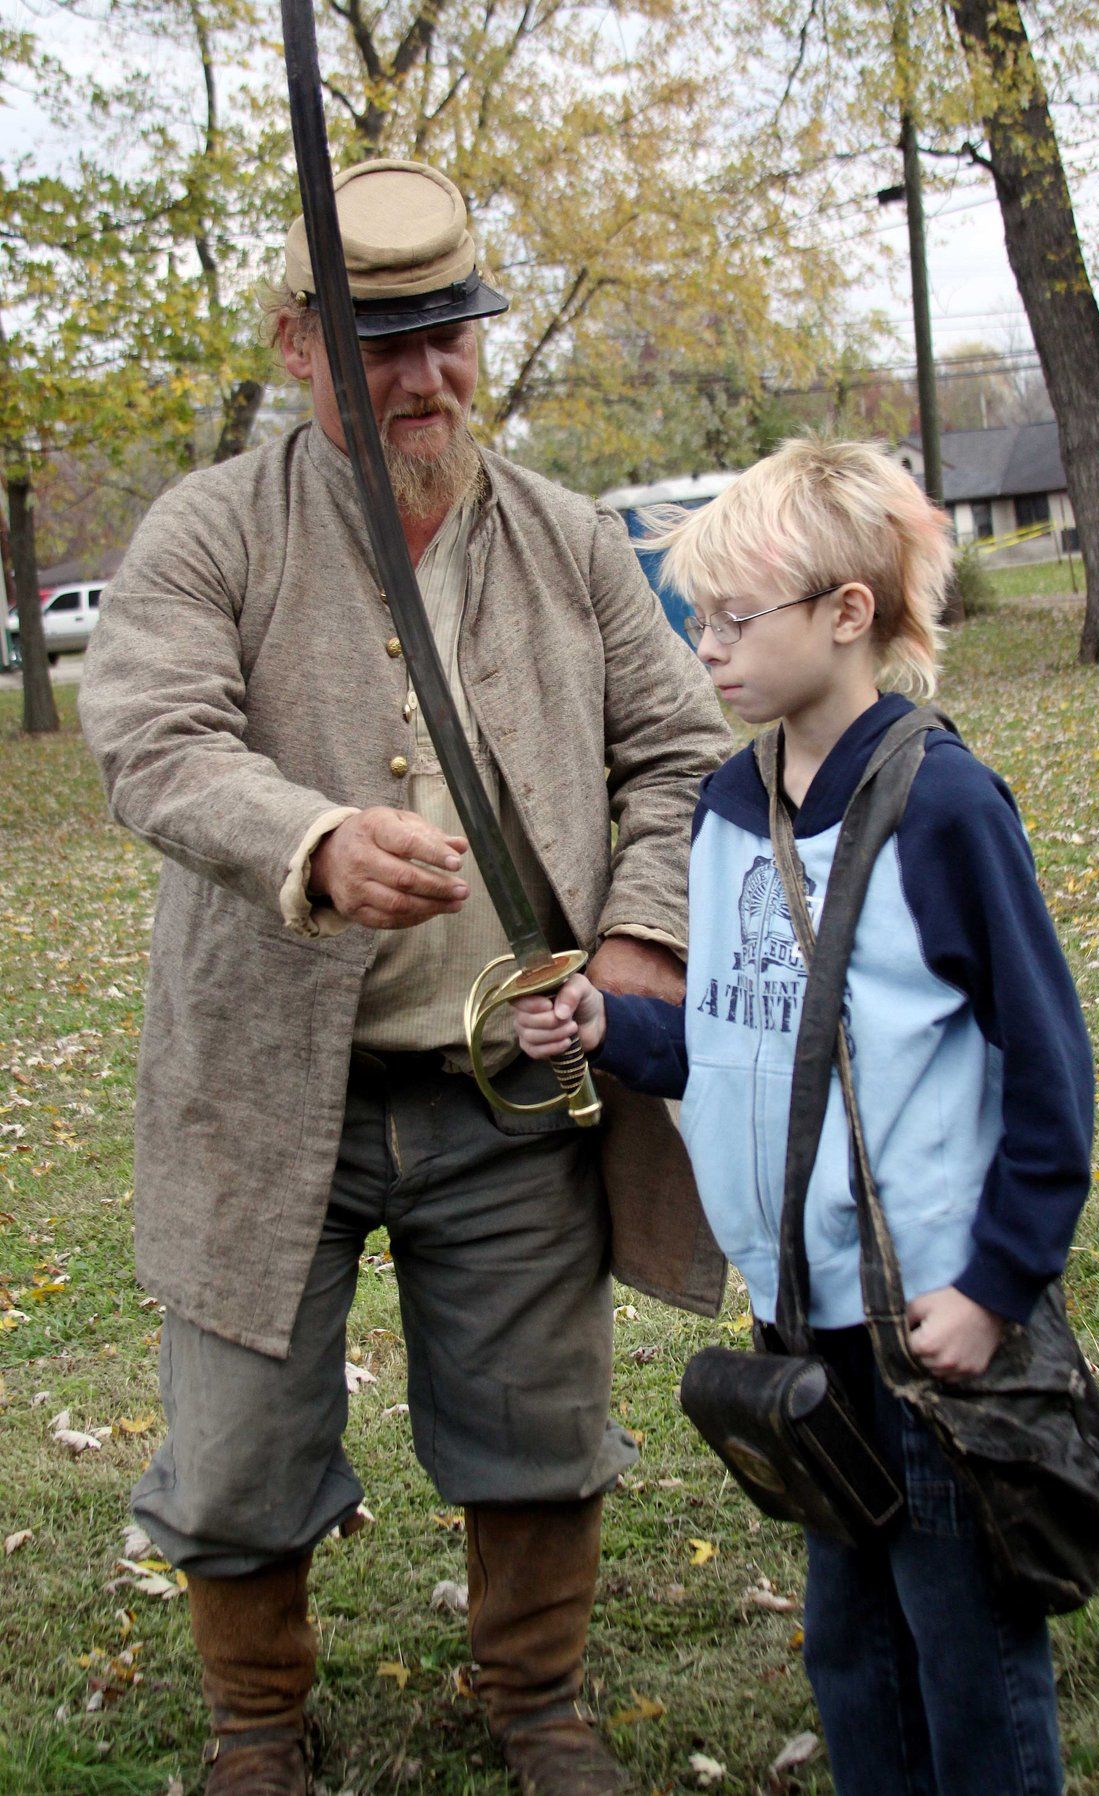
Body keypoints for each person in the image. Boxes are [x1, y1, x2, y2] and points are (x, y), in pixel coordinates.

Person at [79, 157, 731, 1796]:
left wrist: (639, 945)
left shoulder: (573, 543)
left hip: (508, 1083)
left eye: (452, 335)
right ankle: (252, 1725)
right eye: (385, 340)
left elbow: (678, 751)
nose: (429, 376)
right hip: (260, 1089)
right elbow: (153, 740)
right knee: (233, 1450)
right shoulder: (205, 530)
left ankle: (535, 1704)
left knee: (536, 1427)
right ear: (301, 347)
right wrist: (306, 844)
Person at [512, 438, 1095, 1796]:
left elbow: (1049, 1073)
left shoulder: (942, 805)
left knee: (966, 1651)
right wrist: (613, 1027)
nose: (702, 648)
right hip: (798, 1322)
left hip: (928, 1328)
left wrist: (994, 1287)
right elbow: (729, 1037)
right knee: (851, 1647)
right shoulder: (724, 809)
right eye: (692, 618)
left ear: (846, 614)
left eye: (730, 619)